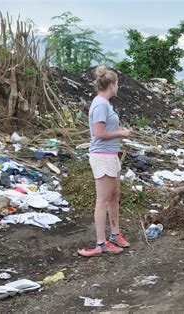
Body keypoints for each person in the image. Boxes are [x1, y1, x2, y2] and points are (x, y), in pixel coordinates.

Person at [78, 66, 132, 257]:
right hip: (102, 156)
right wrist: (121, 133)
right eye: (117, 83)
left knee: (114, 195)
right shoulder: (100, 104)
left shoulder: (105, 104)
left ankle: (115, 234)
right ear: (111, 85)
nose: (118, 87)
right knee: (103, 200)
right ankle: (101, 244)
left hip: (111, 155)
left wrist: (118, 130)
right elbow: (99, 133)